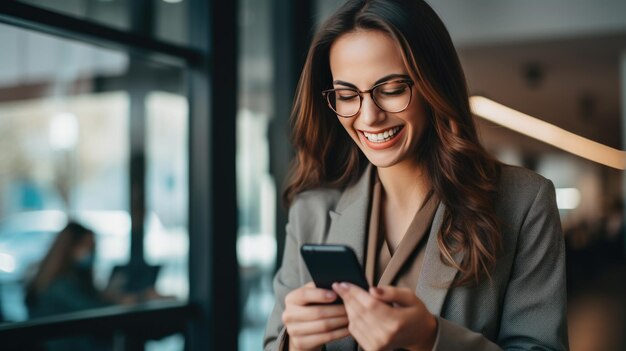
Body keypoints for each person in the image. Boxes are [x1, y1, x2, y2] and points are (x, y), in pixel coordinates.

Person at [264, 1, 568, 350]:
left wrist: (432, 339)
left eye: (391, 90)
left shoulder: (523, 201)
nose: (368, 117)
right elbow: (274, 342)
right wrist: (296, 344)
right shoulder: (311, 210)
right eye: (347, 95)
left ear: (433, 84)